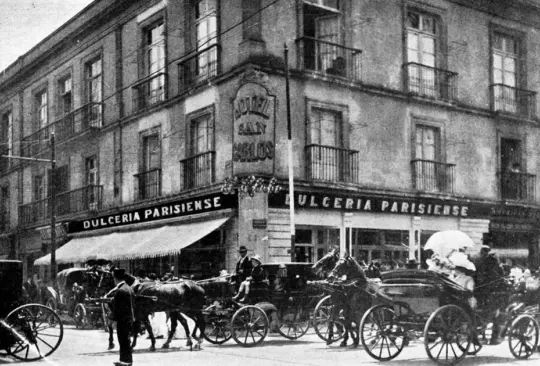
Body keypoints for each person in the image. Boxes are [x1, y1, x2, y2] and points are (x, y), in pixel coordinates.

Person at [110, 268, 135, 366]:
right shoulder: (129, 288)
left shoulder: (120, 291)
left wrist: (114, 320)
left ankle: (125, 361)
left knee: (123, 340)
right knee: (126, 340)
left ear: (116, 278)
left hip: (122, 320)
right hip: (129, 318)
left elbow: (118, 308)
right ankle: (126, 360)